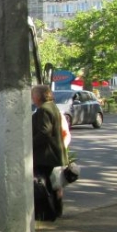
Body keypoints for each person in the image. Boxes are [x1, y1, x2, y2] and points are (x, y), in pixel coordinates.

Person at [31, 84, 68, 220]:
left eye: (33, 94)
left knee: (43, 185)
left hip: (46, 155)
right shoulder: (52, 107)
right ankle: (55, 211)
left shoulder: (44, 110)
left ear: (38, 96)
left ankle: (47, 213)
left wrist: (29, 144)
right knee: (54, 185)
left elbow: (44, 132)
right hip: (54, 153)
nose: (32, 97)